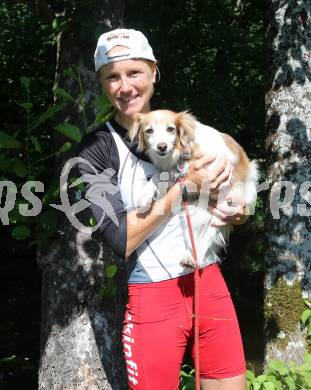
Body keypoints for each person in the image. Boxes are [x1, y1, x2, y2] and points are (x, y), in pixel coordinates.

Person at [77, 28, 248, 390]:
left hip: (210, 284)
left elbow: (236, 197)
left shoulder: (186, 132)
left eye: (134, 72)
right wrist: (183, 189)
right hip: (155, 297)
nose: (125, 87)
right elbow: (120, 239)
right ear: (102, 84)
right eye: (112, 77)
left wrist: (238, 210)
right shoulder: (95, 150)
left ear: (154, 73)